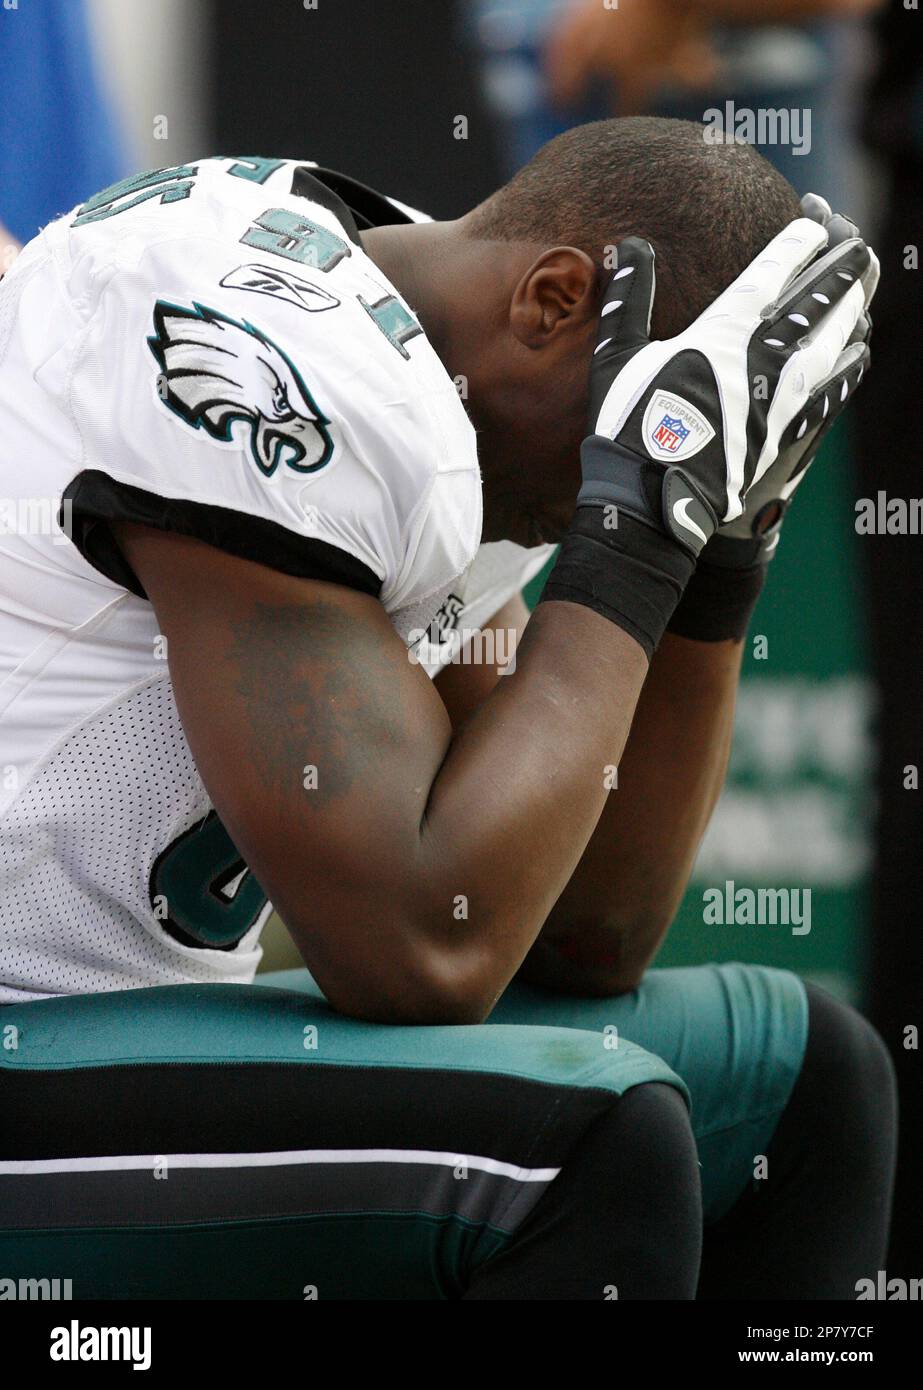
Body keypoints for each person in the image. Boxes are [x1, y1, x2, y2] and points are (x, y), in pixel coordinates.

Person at [0, 118, 894, 1300]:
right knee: (586, 1140)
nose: (644, 483)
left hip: (120, 1027)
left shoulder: (444, 353)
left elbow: (583, 932)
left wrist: (714, 550)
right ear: (551, 299)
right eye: (682, 440)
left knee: (799, 1075)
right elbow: (424, 948)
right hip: (29, 1020)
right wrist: (630, 534)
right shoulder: (280, 352)